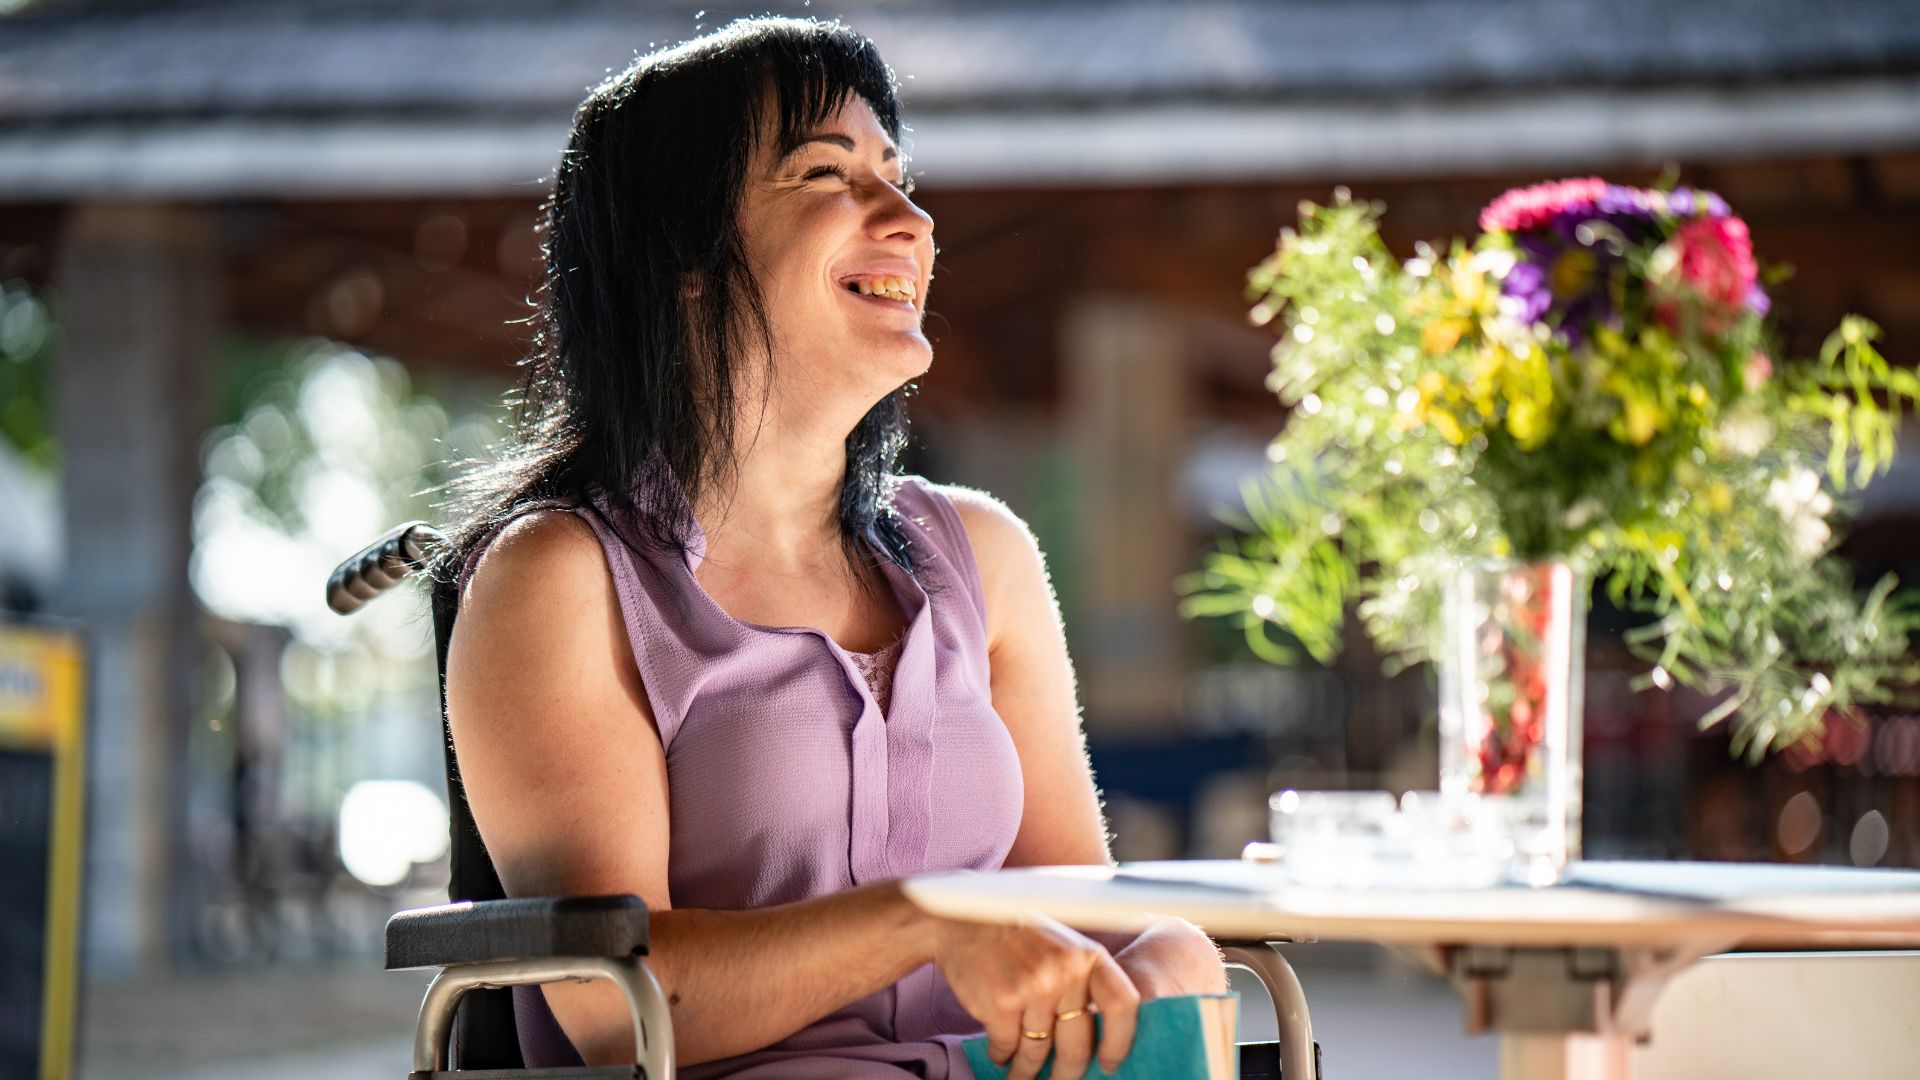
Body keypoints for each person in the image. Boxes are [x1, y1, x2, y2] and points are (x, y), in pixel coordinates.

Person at [436, 16, 1227, 1080]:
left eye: (899, 177)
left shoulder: (983, 558)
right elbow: (614, 1007)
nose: (907, 218)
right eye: (828, 175)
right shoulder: (561, 580)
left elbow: (1076, 909)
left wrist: (1158, 955)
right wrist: (922, 923)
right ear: (686, 256)